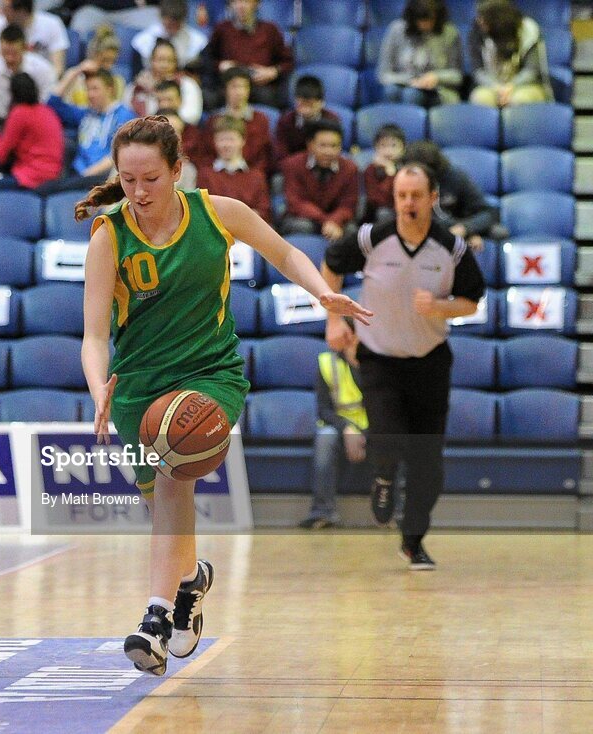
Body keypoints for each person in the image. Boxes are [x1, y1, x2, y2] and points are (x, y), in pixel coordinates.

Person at [76, 115, 370, 675]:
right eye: (128, 180)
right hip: (137, 383)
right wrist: (99, 389)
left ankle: (155, 617)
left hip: (211, 373)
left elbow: (284, 253)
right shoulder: (108, 235)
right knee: (162, 503)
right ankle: (190, 583)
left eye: (150, 180)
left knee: (170, 479)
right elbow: (93, 336)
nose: (138, 193)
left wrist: (323, 293)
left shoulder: (219, 212)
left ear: (177, 171)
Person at [322, 163, 486, 570]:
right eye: (401, 196)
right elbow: (330, 265)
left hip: (430, 362)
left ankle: (413, 542)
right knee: (389, 436)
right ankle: (382, 477)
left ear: (433, 199)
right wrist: (333, 320)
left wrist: (440, 307)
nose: (407, 204)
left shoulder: (452, 249)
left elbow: (472, 300)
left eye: (416, 196)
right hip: (378, 357)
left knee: (428, 463)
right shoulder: (371, 238)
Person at [299, 331, 367, 529]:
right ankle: (322, 512)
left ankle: (395, 514)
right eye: (351, 337)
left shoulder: (382, 365)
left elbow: (388, 408)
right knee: (325, 438)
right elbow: (323, 411)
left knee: (394, 436)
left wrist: (366, 434)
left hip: (374, 426)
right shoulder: (327, 363)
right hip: (339, 427)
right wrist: (347, 429)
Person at [0, 72, 64, 193]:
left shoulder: (20, 113)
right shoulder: (47, 111)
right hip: (53, 176)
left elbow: (0, 155)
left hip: (31, 179)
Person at [45, 65, 136, 192]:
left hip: (101, 178)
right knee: (45, 187)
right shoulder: (85, 114)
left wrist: (85, 176)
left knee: (49, 190)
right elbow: (52, 104)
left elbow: (118, 155)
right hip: (77, 175)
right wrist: (75, 71)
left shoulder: (123, 115)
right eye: (87, 89)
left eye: (95, 89)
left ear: (110, 89)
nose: (90, 94)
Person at [402, 140, 503, 248]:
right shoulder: (402, 182)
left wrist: (466, 229)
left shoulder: (455, 177)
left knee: (499, 232)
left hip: (457, 226)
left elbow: (489, 213)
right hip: (423, 230)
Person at [203, 0, 293, 109]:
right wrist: (220, 65)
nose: (241, 6)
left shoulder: (270, 30)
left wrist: (273, 71)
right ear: (230, 4)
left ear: (256, 4)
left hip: (259, 86)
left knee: (269, 97)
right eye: (236, 1)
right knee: (210, 99)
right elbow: (207, 59)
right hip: (230, 85)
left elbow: (288, 61)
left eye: (246, 1)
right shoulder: (222, 29)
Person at [280, 118, 358, 242]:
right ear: (310, 145)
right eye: (323, 145)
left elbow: (348, 205)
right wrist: (326, 220)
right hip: (303, 217)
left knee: (352, 231)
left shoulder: (350, 168)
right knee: (302, 226)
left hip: (336, 219)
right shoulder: (292, 164)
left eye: (334, 146)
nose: (329, 151)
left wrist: (334, 220)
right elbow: (295, 202)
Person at [378, 0, 464, 107]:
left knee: (412, 95)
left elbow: (457, 76)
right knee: (391, 91)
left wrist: (436, 77)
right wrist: (411, 81)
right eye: (421, 20)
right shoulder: (396, 30)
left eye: (430, 19)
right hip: (403, 84)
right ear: (412, 18)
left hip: (438, 90)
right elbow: (383, 74)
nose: (426, 24)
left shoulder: (450, 32)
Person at [468, 0, 552, 107]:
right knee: (481, 99)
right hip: (491, 85)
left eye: (485, 17)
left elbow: (531, 71)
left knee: (519, 99)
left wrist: (510, 86)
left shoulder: (528, 30)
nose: (480, 21)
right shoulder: (477, 32)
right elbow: (478, 71)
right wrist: (497, 87)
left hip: (525, 85)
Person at [195, 67, 273, 174]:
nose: (239, 92)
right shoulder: (213, 120)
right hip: (218, 175)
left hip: (252, 176)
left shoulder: (260, 119)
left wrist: (252, 175)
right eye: (234, 87)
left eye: (244, 87)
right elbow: (206, 154)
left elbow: (264, 155)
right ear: (225, 89)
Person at [0, 24, 57, 127]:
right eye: (6, 53)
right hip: (0, 123)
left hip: (35, 124)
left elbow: (49, 107)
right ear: (0, 48)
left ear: (25, 48)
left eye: (14, 53)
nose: (10, 59)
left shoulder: (43, 69)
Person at [196, 115, 271, 223]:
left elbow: (263, 211)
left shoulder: (256, 176)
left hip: (249, 231)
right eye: (221, 139)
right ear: (214, 142)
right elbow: (202, 210)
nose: (226, 145)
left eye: (231, 139)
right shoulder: (205, 175)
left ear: (243, 140)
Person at [125, 39, 203, 126]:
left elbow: (192, 116)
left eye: (170, 60)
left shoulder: (188, 84)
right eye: (160, 60)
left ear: (176, 63)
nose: (164, 65)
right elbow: (126, 118)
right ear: (151, 61)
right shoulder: (136, 87)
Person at [0, 0, 70, 77]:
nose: (3, 12)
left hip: (44, 80)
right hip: (10, 82)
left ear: (22, 11)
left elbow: (58, 69)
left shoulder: (52, 24)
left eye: (6, 9)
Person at [273, 75, 342, 165]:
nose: (305, 110)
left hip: (324, 164)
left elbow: (334, 149)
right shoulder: (285, 121)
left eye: (310, 104)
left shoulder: (332, 120)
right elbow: (281, 154)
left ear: (321, 102)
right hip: (294, 166)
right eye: (301, 104)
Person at [130, 0, 207, 77]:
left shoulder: (198, 41)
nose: (173, 30)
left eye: (177, 25)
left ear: (183, 20)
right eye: (169, 25)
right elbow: (136, 75)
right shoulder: (142, 41)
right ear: (161, 17)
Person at [64, 25, 126, 106]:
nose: (109, 66)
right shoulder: (75, 78)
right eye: (105, 60)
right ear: (93, 55)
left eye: (113, 61)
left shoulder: (118, 82)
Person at [361, 123, 406, 224]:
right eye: (383, 145)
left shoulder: (407, 168)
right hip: (377, 215)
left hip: (402, 210)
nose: (388, 151)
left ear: (403, 148)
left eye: (394, 145)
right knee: (384, 213)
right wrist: (390, 175)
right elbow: (379, 201)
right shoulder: (370, 169)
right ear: (376, 148)